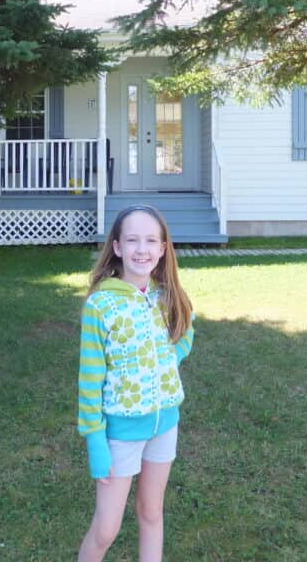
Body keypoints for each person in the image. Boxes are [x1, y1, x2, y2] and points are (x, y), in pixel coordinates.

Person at [77, 205, 195, 562]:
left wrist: (169, 359)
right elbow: (89, 380)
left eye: (150, 241)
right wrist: (96, 441)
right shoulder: (101, 305)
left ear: (162, 249)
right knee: (106, 528)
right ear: (117, 247)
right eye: (132, 240)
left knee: (151, 513)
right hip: (120, 434)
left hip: (164, 425)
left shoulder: (165, 296)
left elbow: (186, 331)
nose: (141, 249)